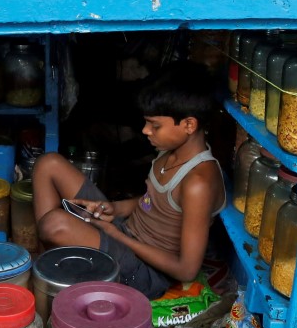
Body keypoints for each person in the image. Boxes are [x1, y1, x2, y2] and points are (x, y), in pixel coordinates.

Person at [32, 60, 226, 299]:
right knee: (48, 164)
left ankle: (50, 278)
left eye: (155, 125)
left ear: (188, 125)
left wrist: (118, 237)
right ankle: (50, 272)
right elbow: (153, 202)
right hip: (126, 232)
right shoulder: (170, 149)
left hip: (146, 273)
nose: (145, 130)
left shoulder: (198, 183)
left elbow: (186, 270)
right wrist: (113, 208)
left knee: (55, 224)